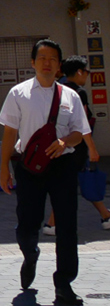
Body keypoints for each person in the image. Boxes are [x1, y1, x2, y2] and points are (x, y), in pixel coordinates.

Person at [0, 38, 90, 306]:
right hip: (29, 167)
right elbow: (9, 133)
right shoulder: (18, 93)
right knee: (27, 224)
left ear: (59, 65)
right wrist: (4, 167)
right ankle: (30, 253)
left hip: (62, 166)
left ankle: (64, 284)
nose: (47, 63)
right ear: (33, 63)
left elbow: (79, 133)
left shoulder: (70, 96)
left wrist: (65, 142)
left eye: (52, 59)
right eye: (42, 58)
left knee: (67, 225)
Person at [43, 55, 110, 235]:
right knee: (69, 183)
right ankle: (51, 224)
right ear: (79, 72)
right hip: (75, 144)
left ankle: (106, 215)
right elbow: (82, 124)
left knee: (76, 180)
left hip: (58, 143)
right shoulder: (79, 92)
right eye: (87, 72)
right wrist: (92, 148)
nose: (87, 76)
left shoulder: (56, 89)